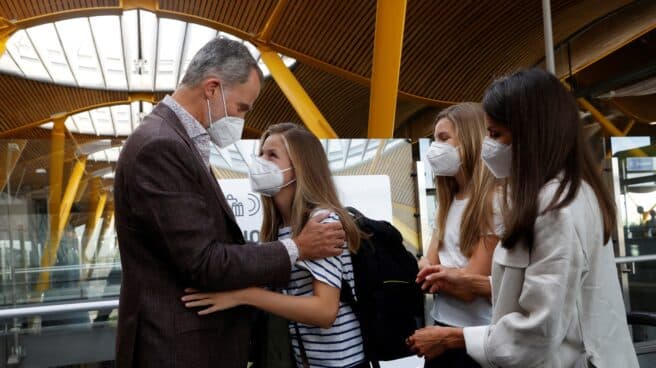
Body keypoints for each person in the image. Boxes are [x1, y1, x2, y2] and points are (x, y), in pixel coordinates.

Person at [114, 39, 346, 368]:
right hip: (177, 349)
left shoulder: (174, 140)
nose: (240, 118)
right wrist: (297, 248)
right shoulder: (162, 146)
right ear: (212, 89)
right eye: (241, 108)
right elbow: (204, 261)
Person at [408, 68, 638, 367]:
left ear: (532, 134)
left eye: (496, 134)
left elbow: (536, 330)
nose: (488, 146)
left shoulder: (554, 210)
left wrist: (453, 338)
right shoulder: (573, 193)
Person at [181, 123, 368, 368]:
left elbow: (325, 311)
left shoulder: (322, 222)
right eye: (261, 154)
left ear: (300, 166)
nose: (261, 161)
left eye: (272, 155)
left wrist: (245, 296)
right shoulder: (279, 229)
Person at [417, 103, 502, 368]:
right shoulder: (448, 201)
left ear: (470, 140)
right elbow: (426, 262)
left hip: (474, 339)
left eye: (444, 138)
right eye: (434, 139)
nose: (435, 148)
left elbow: (469, 288)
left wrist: (436, 274)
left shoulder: (494, 200)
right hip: (441, 327)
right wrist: (442, 274)